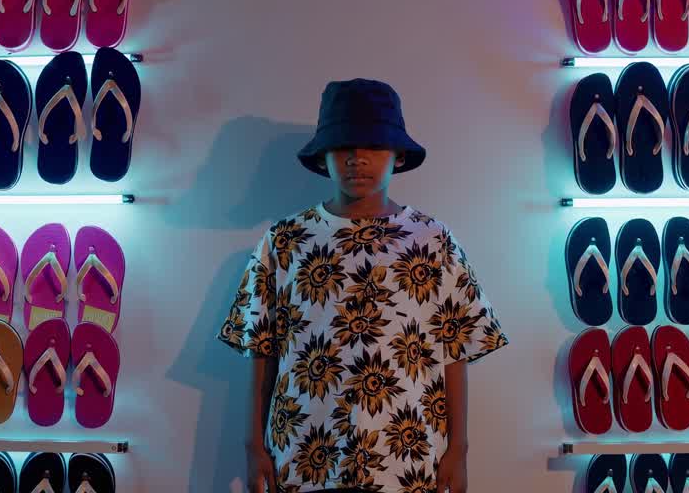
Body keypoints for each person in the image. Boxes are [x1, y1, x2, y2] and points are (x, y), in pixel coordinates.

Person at [217, 79, 509, 493]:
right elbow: (262, 350)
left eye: (372, 145)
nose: (357, 158)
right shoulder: (285, 242)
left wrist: (457, 450)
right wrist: (253, 446)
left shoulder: (432, 241)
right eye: (343, 147)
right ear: (324, 157)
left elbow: (454, 351)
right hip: (303, 453)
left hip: (407, 457)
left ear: (397, 155)